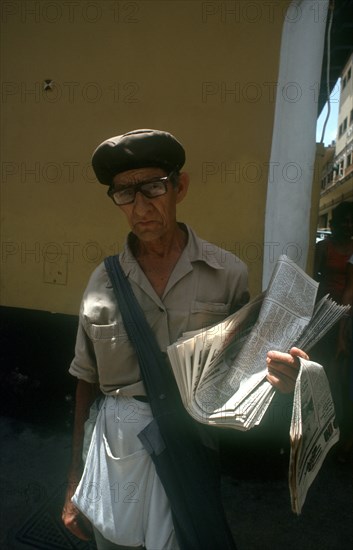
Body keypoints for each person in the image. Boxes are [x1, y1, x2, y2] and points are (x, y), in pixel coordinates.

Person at [62, 129, 308, 550]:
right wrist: (73, 482)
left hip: (189, 448)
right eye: (125, 194)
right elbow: (86, 381)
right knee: (112, 544)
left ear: (180, 187)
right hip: (115, 452)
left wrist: (279, 380)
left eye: (154, 187)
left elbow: (241, 370)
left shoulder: (227, 274)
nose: (141, 208)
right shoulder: (102, 281)